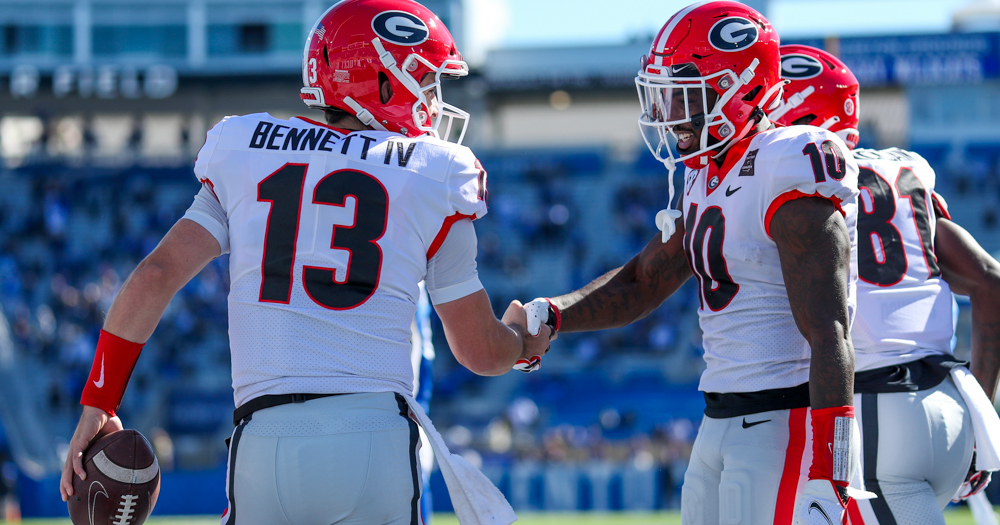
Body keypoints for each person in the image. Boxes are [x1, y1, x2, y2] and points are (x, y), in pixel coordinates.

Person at [58, 1, 552, 523]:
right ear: (383, 82)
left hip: (263, 439)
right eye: (425, 81)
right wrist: (521, 343)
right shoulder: (435, 173)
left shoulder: (245, 149)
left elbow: (155, 276)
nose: (433, 99)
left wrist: (100, 400)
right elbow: (478, 351)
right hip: (374, 438)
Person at [522, 2, 868, 523]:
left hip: (783, 420)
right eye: (664, 95)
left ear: (740, 86)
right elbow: (644, 280)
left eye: (684, 94)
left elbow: (829, 332)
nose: (669, 114)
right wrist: (552, 314)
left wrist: (831, 471)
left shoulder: (787, 160)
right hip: (718, 417)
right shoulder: (703, 174)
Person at [771, 44, 1000, 525]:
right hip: (949, 401)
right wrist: (982, 401)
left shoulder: (794, 183)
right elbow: (990, 280)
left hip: (876, 411)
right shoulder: (904, 170)